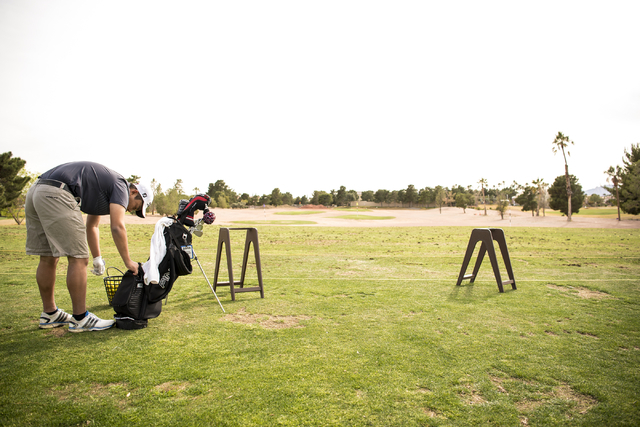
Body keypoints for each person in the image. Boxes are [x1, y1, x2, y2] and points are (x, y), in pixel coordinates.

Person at [25, 161, 153, 332]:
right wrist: (128, 262)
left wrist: (97, 257)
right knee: (78, 258)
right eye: (135, 206)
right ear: (134, 192)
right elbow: (117, 226)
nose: (130, 210)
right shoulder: (121, 185)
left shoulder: (102, 189)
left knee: (48, 257)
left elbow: (92, 226)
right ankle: (80, 318)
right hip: (57, 193)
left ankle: (50, 314)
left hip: (37, 191)